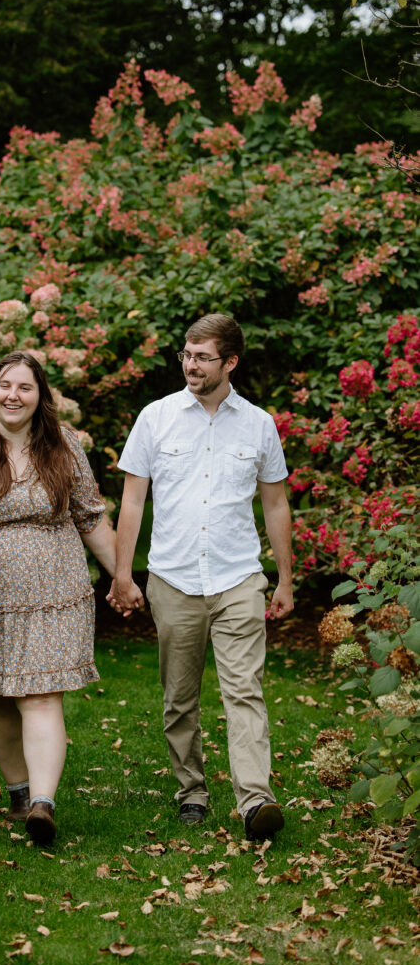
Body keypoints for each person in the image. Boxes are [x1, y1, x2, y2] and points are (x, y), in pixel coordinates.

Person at [107, 314, 293, 841]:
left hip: (238, 578)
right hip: (174, 579)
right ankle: (191, 790)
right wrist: (125, 574)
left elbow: (275, 504)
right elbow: (133, 499)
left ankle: (256, 800)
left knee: (244, 691)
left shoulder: (258, 424)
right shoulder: (156, 417)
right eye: (186, 354)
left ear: (230, 362)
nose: (191, 364)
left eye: (202, 357)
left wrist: (284, 579)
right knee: (179, 697)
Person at [0, 351, 118, 845]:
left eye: (25, 387)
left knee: (40, 693)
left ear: (40, 396)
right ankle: (19, 790)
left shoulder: (63, 443)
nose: (13, 395)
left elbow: (90, 515)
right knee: (2, 695)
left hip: (54, 589)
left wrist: (125, 577)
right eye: (4, 385)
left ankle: (42, 805)